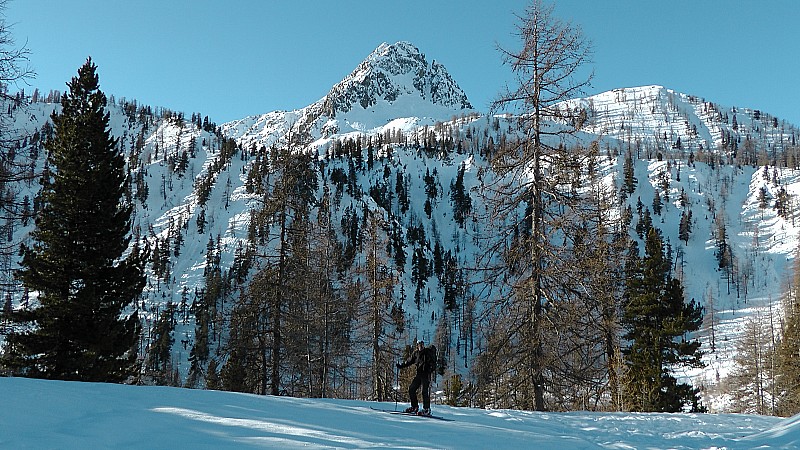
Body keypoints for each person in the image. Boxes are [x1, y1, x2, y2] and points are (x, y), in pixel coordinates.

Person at [397, 339, 434, 415]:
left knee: (424, 391)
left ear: (423, 345)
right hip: (419, 374)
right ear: (417, 346)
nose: (420, 346)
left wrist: (430, 370)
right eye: (419, 345)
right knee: (411, 389)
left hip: (426, 375)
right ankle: (414, 407)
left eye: (422, 344)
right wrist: (401, 366)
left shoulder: (427, 352)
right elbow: (409, 361)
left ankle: (426, 409)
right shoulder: (416, 354)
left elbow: (433, 363)